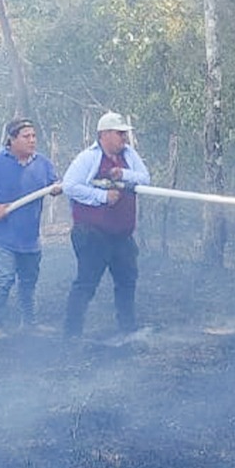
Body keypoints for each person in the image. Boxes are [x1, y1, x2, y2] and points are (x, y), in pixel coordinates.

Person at [0, 119, 63, 336]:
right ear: (12, 139)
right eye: (26, 136)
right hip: (0, 235)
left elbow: (54, 184)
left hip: (29, 237)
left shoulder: (43, 164)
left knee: (28, 281)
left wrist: (56, 189)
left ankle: (29, 323)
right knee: (5, 278)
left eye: (34, 136)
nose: (32, 140)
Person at [62, 112, 151, 338]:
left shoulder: (129, 155)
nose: (124, 138)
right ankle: (71, 334)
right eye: (119, 133)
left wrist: (123, 174)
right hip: (92, 233)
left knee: (127, 281)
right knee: (86, 283)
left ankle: (127, 329)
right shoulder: (87, 158)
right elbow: (69, 186)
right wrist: (102, 197)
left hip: (121, 235)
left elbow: (145, 178)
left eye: (124, 133)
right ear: (104, 134)